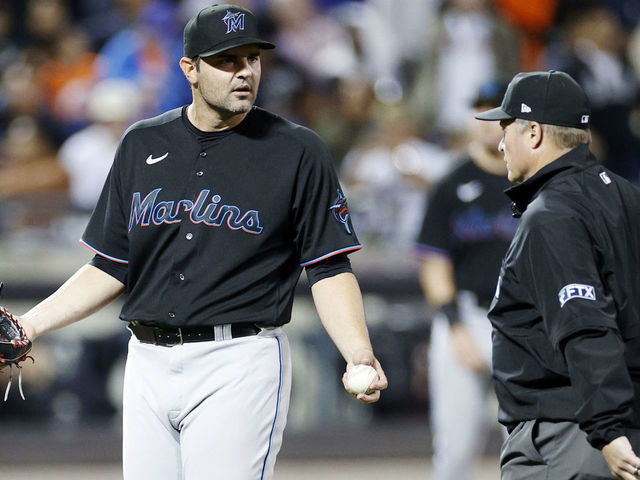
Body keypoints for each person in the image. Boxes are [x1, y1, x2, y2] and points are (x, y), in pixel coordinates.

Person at [10, 5, 387, 479]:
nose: (244, 71)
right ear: (189, 68)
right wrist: (29, 324)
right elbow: (110, 266)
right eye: (227, 61)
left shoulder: (296, 150)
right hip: (146, 361)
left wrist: (358, 353)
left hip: (238, 360)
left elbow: (329, 267)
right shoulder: (141, 143)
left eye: (252, 58)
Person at [475, 70, 640, 479]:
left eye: (507, 127)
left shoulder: (552, 215)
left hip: (573, 437)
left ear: (533, 133)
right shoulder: (627, 196)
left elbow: (583, 324)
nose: (500, 143)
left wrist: (607, 428)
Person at [415, 80, 518, 480]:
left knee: (533, 443)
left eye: (498, 111)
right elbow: (434, 265)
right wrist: (456, 328)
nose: (488, 121)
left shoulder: (533, 181)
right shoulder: (451, 183)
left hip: (526, 324)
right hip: (467, 318)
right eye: (481, 109)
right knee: (455, 450)